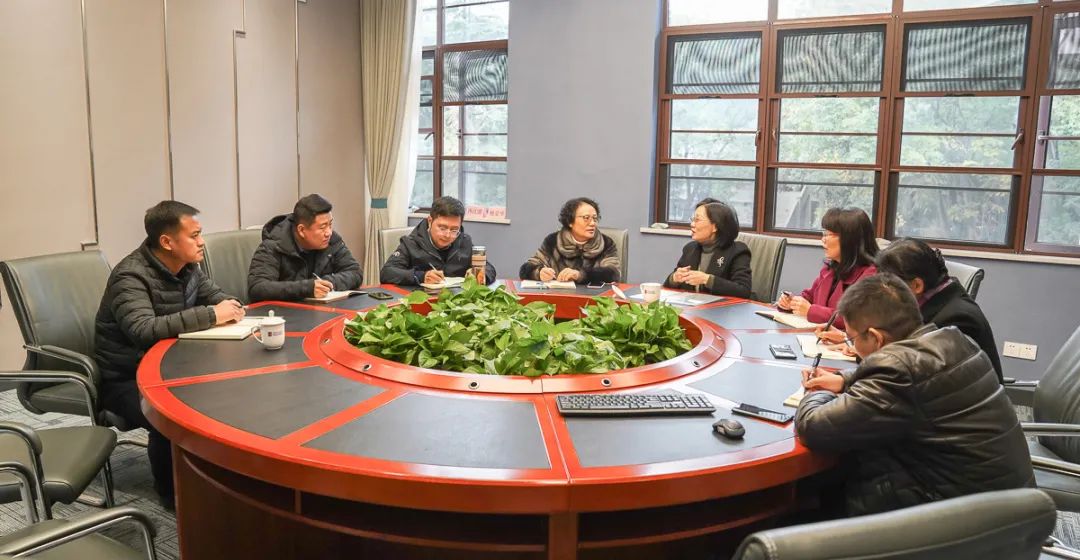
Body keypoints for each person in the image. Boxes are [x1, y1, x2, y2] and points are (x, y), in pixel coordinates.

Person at [796, 273, 1033, 517]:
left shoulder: (898, 372)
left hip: (960, 522)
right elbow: (917, 378)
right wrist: (845, 380)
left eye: (852, 338)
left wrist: (812, 393)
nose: (852, 345)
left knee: (806, 503)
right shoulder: (955, 339)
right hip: (1011, 512)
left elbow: (812, 426)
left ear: (876, 337)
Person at [94, 201, 246, 505]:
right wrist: (212, 315)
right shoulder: (131, 276)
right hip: (126, 377)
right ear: (167, 242)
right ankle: (173, 495)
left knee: (233, 393)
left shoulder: (188, 268)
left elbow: (219, 299)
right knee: (173, 417)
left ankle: (223, 479)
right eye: (195, 235)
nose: (202, 242)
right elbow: (143, 329)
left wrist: (230, 307)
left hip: (175, 365)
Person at [872, 238, 1003, 382]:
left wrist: (871, 349)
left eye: (889, 285)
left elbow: (913, 373)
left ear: (917, 285)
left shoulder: (956, 320)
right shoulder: (931, 302)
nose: (885, 292)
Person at [247, 194, 363, 302]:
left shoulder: (331, 241)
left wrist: (326, 284)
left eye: (330, 224)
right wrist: (307, 288)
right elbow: (257, 288)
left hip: (322, 310)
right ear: (301, 230)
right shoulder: (273, 246)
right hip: (285, 313)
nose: (329, 232)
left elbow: (355, 272)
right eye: (322, 227)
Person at [777, 207, 877, 329]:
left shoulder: (872, 275)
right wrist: (791, 302)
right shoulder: (831, 268)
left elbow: (854, 318)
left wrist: (810, 310)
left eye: (829, 234)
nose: (823, 239)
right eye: (824, 233)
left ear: (849, 239)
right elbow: (809, 297)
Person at [380, 196, 496, 286]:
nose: (447, 235)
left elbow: (490, 269)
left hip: (457, 302)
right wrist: (421, 276)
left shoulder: (464, 241)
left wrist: (480, 274)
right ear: (430, 221)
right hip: (422, 301)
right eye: (442, 228)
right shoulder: (411, 243)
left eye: (454, 229)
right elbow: (387, 272)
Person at [520, 197, 621, 284]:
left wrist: (580, 275)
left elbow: (613, 273)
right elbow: (526, 269)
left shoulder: (606, 243)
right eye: (586, 218)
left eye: (595, 218)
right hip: (559, 296)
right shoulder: (553, 241)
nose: (592, 223)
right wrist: (539, 272)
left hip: (593, 297)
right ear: (570, 222)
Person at [664, 200, 752, 298]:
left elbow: (743, 290)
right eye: (692, 219)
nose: (692, 224)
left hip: (723, 307)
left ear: (715, 226)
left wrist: (707, 280)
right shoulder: (690, 248)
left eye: (697, 220)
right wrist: (674, 278)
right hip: (692, 304)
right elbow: (667, 286)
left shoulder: (737, 251)